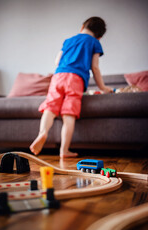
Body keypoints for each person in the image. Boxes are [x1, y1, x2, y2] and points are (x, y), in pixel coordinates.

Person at [30, 16, 113, 157]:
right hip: (75, 79)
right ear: (99, 37)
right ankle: (64, 150)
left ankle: (43, 132)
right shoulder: (94, 43)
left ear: (82, 27)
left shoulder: (69, 41)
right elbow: (95, 67)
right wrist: (103, 87)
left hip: (58, 76)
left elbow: (57, 61)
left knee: (50, 107)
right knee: (69, 113)